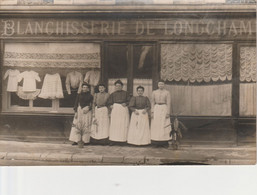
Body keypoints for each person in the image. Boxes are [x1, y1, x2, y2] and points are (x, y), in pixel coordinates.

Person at [107, 79, 130, 144]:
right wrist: (110, 105)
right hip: (115, 109)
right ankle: (114, 140)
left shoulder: (126, 93)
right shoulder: (112, 94)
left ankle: (123, 140)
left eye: (119, 86)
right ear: (115, 87)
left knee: (123, 124)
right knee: (115, 124)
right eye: (116, 86)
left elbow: (129, 101)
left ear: (122, 86)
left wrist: (126, 103)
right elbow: (109, 102)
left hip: (123, 109)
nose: (118, 87)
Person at [150, 80, 172, 147]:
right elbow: (152, 102)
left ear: (164, 85)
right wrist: (152, 112)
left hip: (164, 108)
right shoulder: (154, 92)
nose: (161, 85)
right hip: (156, 108)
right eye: (159, 84)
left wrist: (168, 112)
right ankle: (155, 142)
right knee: (156, 124)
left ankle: (164, 142)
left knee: (164, 124)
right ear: (158, 85)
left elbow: (168, 103)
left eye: (162, 84)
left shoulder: (167, 92)